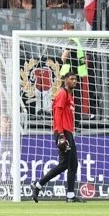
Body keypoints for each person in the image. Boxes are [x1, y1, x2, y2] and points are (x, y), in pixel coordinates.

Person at [31, 71, 79, 202]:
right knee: (64, 165)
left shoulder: (69, 95)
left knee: (73, 164)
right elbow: (57, 114)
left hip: (68, 132)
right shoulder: (62, 94)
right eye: (71, 79)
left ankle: (70, 196)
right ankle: (38, 185)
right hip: (62, 131)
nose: (74, 81)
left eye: (75, 79)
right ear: (65, 80)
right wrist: (61, 134)